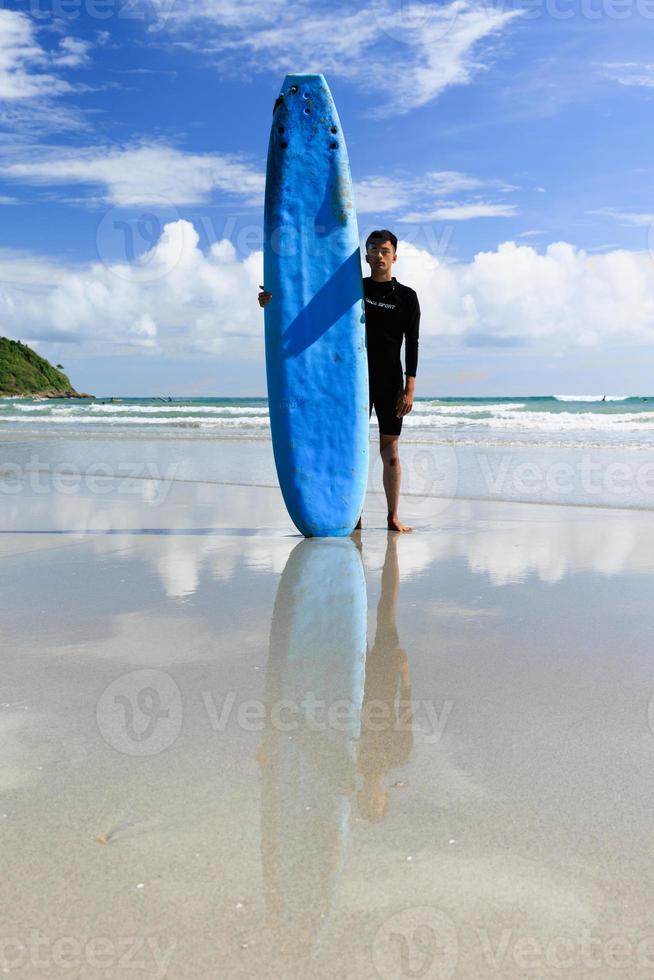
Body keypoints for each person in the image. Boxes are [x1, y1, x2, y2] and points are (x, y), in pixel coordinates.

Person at [258, 228, 420, 533]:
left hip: (390, 383)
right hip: (353, 382)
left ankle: (392, 516)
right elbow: (310, 309)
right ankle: (352, 516)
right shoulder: (354, 291)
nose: (379, 255)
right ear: (366, 255)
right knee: (350, 448)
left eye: (385, 250)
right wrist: (272, 301)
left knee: (391, 452)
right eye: (373, 249)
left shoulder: (407, 298)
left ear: (394, 256)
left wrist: (409, 387)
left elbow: (412, 342)